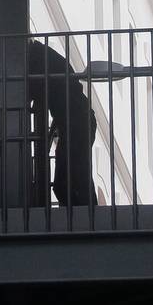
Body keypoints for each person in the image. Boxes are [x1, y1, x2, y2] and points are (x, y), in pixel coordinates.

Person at [27, 37, 97, 209]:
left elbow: (28, 92)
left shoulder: (38, 59)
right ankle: (85, 217)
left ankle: (84, 218)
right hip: (77, 122)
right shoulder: (43, 55)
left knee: (69, 180)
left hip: (76, 123)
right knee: (74, 178)